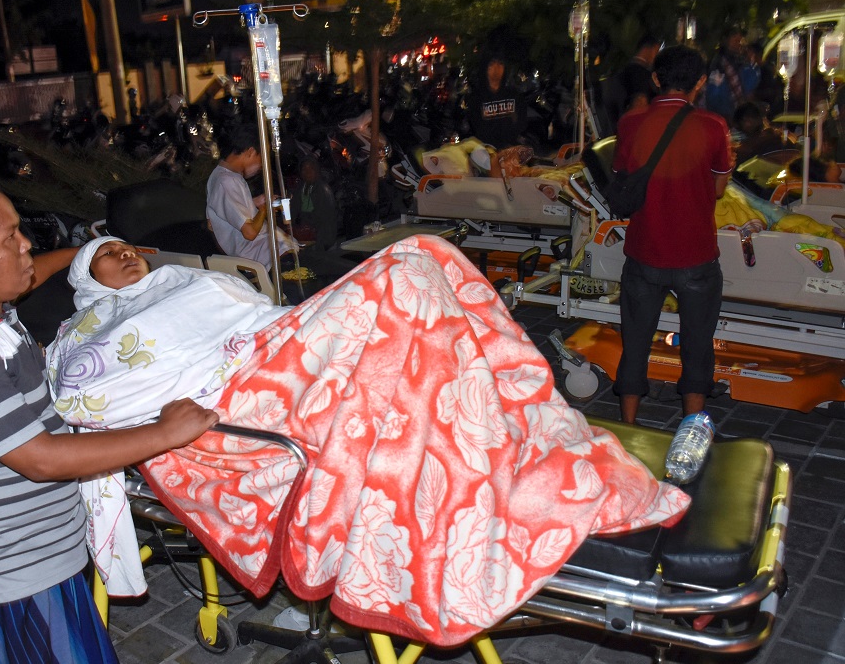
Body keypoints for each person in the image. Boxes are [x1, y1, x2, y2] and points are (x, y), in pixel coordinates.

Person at [46, 234, 691, 648]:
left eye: (131, 246)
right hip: (245, 393)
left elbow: (255, 314)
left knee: (427, 256)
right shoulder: (90, 333)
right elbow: (86, 397)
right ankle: (488, 442)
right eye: (107, 252)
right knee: (407, 273)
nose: (128, 253)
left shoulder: (187, 281)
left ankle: (500, 421)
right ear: (86, 274)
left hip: (283, 345)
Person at [0, 174, 219, 663]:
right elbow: (40, 459)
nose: (25, 244)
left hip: (36, 559)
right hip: (7, 575)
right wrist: (162, 433)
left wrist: (84, 254)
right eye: (10, 237)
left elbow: (32, 272)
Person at [612, 44, 734, 425]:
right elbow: (717, 189)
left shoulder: (631, 124)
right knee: (697, 349)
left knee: (635, 344)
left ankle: (629, 427)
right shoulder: (714, 127)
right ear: (700, 82)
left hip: (645, 253)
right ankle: (689, 431)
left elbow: (623, 178)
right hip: (697, 257)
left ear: (655, 78)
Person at [206, 124, 297, 271]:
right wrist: (263, 210)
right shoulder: (225, 181)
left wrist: (257, 202)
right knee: (294, 254)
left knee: (291, 244)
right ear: (250, 152)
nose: (262, 165)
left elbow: (229, 209)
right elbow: (250, 233)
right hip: (251, 253)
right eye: (261, 158)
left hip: (260, 246)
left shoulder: (227, 176)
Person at [464, 54, 527, 149]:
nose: (496, 68)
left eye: (500, 64)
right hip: (486, 151)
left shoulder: (513, 95)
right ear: (486, 68)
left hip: (510, 150)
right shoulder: (477, 98)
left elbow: (521, 121)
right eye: (492, 64)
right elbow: (476, 126)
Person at [602, 34, 662, 134]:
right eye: (656, 51)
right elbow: (640, 102)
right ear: (649, 49)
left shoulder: (621, 72)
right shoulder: (643, 76)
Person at [289, 154, 339, 251]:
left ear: (316, 170)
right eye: (304, 169)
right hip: (307, 231)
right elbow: (294, 210)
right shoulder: (301, 188)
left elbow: (325, 219)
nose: (307, 173)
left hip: (322, 236)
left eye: (311, 169)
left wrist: (305, 224)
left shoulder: (323, 189)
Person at [706, 26, 748, 124]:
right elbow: (713, 94)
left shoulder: (739, 61)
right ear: (725, 40)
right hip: (723, 116)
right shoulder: (718, 63)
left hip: (736, 114)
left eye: (739, 41)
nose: (738, 44)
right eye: (735, 40)